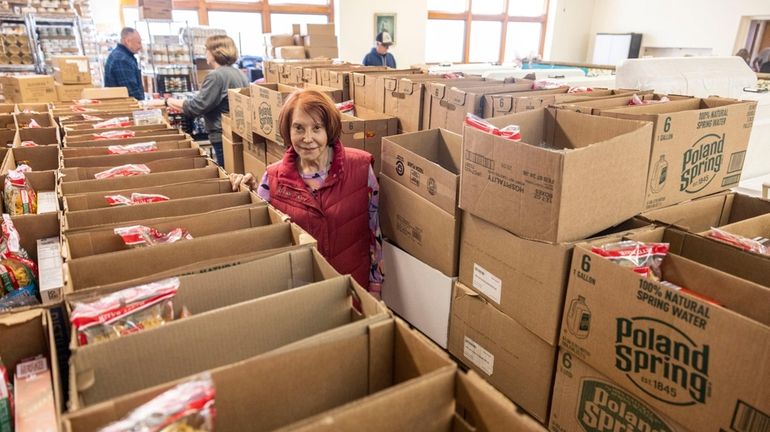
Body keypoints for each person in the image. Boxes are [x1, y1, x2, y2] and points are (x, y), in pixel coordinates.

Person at [229, 90, 384, 296]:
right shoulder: (272, 178)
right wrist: (244, 195)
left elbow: (375, 232)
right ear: (288, 130)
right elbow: (264, 236)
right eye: (299, 128)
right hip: (301, 292)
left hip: (352, 289)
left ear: (329, 130)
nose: (308, 138)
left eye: (317, 128)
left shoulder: (361, 168)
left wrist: (376, 285)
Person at [165, 35, 249, 166]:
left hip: (222, 135)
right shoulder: (238, 73)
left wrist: (169, 101)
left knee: (228, 175)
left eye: (206, 49)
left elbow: (196, 107)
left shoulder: (216, 76)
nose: (205, 53)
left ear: (215, 52)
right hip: (237, 133)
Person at [103, 27, 144, 100]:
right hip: (126, 107)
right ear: (128, 41)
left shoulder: (121, 55)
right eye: (138, 43)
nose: (140, 46)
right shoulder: (122, 60)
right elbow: (132, 93)